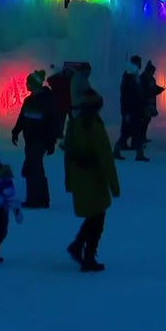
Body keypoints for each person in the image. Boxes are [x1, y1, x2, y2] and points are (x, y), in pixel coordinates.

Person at [63, 70, 119, 273]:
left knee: (94, 216)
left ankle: (78, 246)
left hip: (80, 179)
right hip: (94, 179)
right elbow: (105, 157)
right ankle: (87, 255)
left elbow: (67, 151)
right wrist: (114, 185)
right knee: (98, 218)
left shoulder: (74, 124)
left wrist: (69, 181)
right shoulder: (94, 127)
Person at [11, 70, 60, 209]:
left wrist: (51, 142)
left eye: (29, 83)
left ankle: (36, 199)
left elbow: (53, 123)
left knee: (33, 169)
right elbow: (23, 118)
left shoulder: (47, 101)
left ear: (35, 84)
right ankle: (41, 199)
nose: (26, 85)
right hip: (31, 140)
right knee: (33, 169)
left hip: (40, 141)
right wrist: (16, 131)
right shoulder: (29, 100)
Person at [114, 56, 146, 161]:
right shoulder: (129, 76)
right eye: (139, 62)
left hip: (134, 108)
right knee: (131, 132)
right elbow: (127, 95)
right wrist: (126, 111)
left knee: (133, 132)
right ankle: (137, 153)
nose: (140, 65)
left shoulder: (133, 75)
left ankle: (138, 153)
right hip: (131, 109)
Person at [139, 61, 166, 144]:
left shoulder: (151, 78)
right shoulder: (143, 78)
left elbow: (153, 88)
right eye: (153, 71)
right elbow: (144, 90)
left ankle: (143, 136)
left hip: (150, 102)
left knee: (147, 119)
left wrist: (160, 89)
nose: (154, 73)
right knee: (144, 120)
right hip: (145, 102)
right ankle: (140, 137)